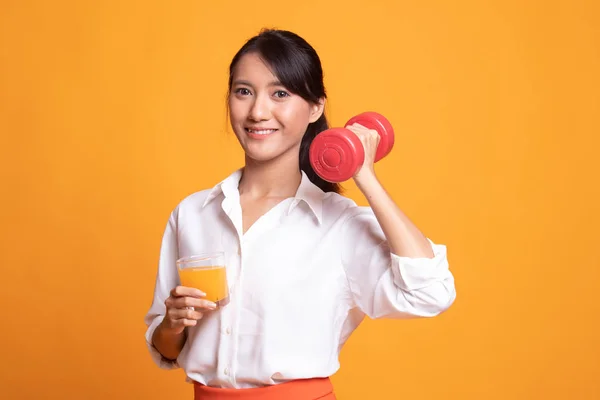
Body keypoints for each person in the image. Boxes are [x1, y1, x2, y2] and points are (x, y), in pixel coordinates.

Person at [144, 28, 456, 400]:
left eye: (280, 94)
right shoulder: (193, 214)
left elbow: (430, 292)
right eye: (244, 92)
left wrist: (364, 174)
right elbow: (167, 349)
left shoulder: (338, 224)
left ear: (315, 107)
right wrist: (172, 323)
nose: (258, 111)